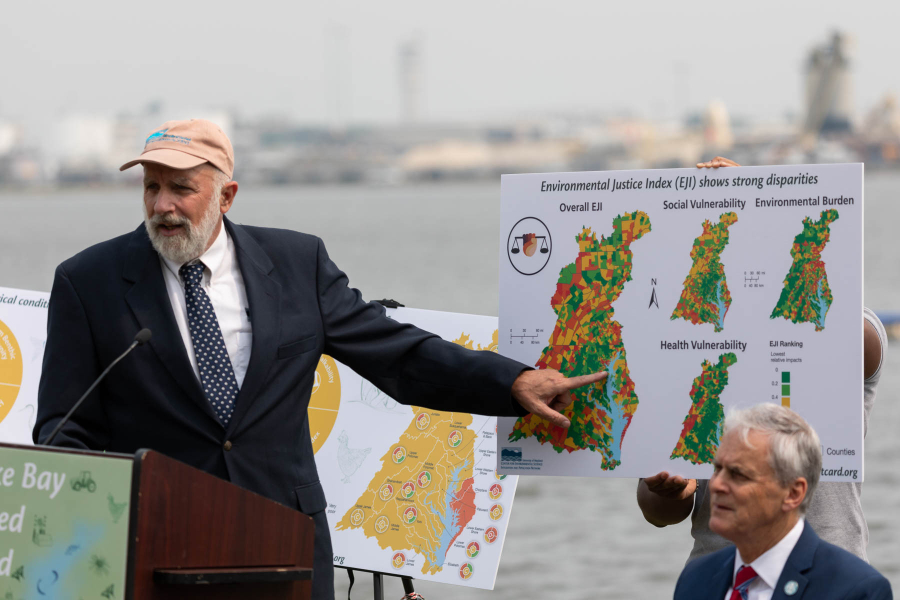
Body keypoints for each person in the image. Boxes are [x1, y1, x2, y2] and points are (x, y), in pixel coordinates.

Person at [33, 119, 606, 600]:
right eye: (151, 187)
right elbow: (65, 427)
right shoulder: (89, 282)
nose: (162, 206)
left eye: (181, 189)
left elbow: (398, 355)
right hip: (159, 549)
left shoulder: (296, 262)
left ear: (227, 195)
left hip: (287, 543)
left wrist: (512, 382)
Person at [637, 157, 887, 562]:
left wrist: (766, 212)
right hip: (721, 574)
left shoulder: (837, 322)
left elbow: (857, 339)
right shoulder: (685, 350)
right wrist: (671, 489)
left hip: (823, 571)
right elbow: (657, 512)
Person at [674, 404, 891, 599]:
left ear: (793, 493)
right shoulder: (696, 578)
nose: (716, 485)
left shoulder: (855, 589)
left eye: (738, 474)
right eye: (717, 469)